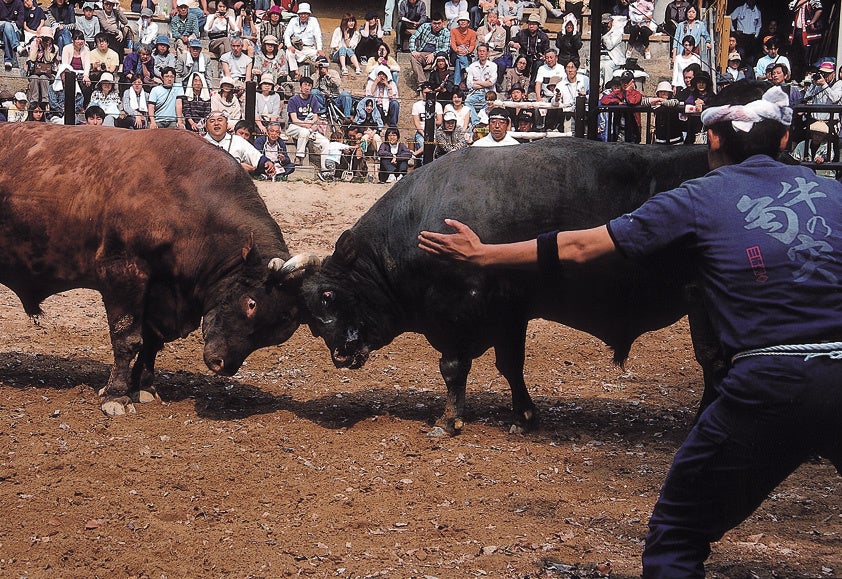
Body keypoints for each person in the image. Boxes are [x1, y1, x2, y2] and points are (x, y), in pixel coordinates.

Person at [419, 79, 842, 579]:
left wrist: (485, 254)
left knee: (678, 536)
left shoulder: (698, 198)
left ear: (712, 139)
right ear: (785, 140)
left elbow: (580, 248)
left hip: (771, 382)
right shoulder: (834, 191)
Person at [204, 110, 276, 178]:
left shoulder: (238, 140)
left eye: (220, 120)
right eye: (212, 121)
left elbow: (255, 157)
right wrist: (238, 167)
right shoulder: (200, 142)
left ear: (226, 124)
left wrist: (267, 163)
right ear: (206, 127)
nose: (216, 123)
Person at [286, 75, 331, 169]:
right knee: (304, 132)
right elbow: (294, 120)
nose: (307, 88)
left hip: (309, 128)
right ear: (301, 87)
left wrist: (311, 124)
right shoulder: (293, 100)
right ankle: (299, 157)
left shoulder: (313, 99)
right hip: (294, 127)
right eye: (305, 85)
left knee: (325, 142)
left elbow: (315, 116)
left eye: (309, 85)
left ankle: (325, 168)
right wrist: (307, 126)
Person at [408, 13, 450, 91]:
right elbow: (413, 38)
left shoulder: (446, 32)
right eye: (434, 23)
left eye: (439, 23)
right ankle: (422, 84)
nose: (437, 26)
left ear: (443, 23)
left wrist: (434, 54)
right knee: (413, 57)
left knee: (441, 56)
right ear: (431, 23)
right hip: (424, 53)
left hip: (438, 55)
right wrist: (413, 50)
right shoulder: (424, 27)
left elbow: (445, 48)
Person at [283, 3, 323, 81]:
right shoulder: (293, 20)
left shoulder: (314, 21)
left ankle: (319, 76)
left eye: (305, 14)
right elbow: (286, 34)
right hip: (297, 48)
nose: (303, 16)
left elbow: (318, 36)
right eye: (301, 14)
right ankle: (296, 73)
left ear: (308, 14)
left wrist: (319, 49)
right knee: (289, 52)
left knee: (320, 58)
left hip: (309, 48)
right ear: (298, 14)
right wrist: (289, 45)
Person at [599, 69, 642, 143]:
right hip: (619, 128)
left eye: (627, 82)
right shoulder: (617, 93)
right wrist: (617, 102)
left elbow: (631, 101)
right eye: (623, 82)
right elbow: (604, 100)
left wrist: (628, 90)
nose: (625, 84)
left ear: (632, 82)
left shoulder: (637, 94)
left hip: (633, 129)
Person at [509, 13, 549, 86]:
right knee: (521, 61)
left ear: (538, 25)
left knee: (539, 64)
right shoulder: (522, 33)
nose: (531, 26)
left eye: (533, 24)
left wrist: (544, 56)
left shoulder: (543, 36)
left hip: (537, 58)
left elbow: (546, 50)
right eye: (530, 23)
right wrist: (513, 44)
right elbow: (511, 41)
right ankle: (516, 83)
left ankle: (532, 84)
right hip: (525, 56)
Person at [789, 0, 824, 83]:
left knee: (807, 56)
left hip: (807, 32)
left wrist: (813, 21)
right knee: (796, 55)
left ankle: (807, 78)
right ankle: (797, 78)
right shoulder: (797, 1)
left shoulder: (813, 0)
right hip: (797, 31)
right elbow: (791, 7)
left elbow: (819, 9)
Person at [642, 79, 683, 144]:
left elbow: (672, 103)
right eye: (661, 91)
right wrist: (659, 99)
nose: (663, 93)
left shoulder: (674, 101)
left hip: (675, 139)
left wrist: (661, 102)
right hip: (660, 140)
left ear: (670, 93)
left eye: (665, 91)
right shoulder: (656, 103)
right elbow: (644, 102)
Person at [534, 47, 565, 131]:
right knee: (538, 107)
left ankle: (556, 127)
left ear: (556, 58)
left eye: (551, 57)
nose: (549, 60)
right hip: (546, 96)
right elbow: (538, 84)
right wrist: (538, 98)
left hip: (558, 96)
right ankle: (540, 128)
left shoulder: (561, 68)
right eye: (547, 58)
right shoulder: (541, 68)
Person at [411, 80, 444, 157]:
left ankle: (415, 153)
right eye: (425, 93)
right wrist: (424, 134)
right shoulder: (416, 105)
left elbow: (439, 121)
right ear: (422, 93)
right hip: (421, 132)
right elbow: (417, 124)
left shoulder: (438, 105)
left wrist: (430, 121)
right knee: (425, 148)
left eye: (429, 92)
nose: (427, 95)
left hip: (435, 132)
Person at [26, 27, 57, 104]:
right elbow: (32, 59)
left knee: (43, 78)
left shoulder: (54, 48)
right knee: (34, 78)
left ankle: (45, 100)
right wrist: (37, 45)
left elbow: (48, 60)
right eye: (44, 37)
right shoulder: (34, 44)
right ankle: (34, 100)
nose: (45, 40)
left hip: (48, 73)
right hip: (34, 72)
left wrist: (46, 48)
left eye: (48, 38)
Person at [464, 43, 497, 115]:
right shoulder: (472, 66)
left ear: (488, 53)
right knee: (467, 102)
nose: (481, 53)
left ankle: (483, 121)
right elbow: (469, 85)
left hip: (488, 93)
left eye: (483, 51)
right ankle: (476, 121)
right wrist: (485, 83)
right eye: (479, 51)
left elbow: (491, 83)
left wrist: (476, 82)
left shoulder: (493, 66)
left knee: (489, 104)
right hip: (475, 92)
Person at [557, 58, 587, 133]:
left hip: (584, 113)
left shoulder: (585, 80)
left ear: (577, 69)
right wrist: (557, 99)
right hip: (568, 114)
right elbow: (555, 102)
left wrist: (585, 96)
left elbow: (593, 96)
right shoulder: (560, 84)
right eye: (568, 68)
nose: (570, 70)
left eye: (572, 67)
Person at [729, 0, 761, 66]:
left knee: (751, 58)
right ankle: (741, 70)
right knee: (741, 54)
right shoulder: (740, 9)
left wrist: (756, 35)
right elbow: (729, 18)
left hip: (752, 37)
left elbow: (759, 25)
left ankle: (749, 73)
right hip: (741, 36)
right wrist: (733, 30)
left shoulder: (757, 12)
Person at [449, 11, 475, 89]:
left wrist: (466, 51)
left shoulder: (473, 33)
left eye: (465, 20)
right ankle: (467, 68)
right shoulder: (453, 31)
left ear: (468, 23)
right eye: (461, 20)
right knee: (458, 58)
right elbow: (452, 43)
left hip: (467, 54)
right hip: (455, 53)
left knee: (458, 62)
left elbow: (472, 45)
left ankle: (456, 84)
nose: (463, 22)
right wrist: (457, 50)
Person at [599, 13, 625, 90]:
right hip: (601, 57)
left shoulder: (617, 32)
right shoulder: (599, 31)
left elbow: (609, 46)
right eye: (603, 23)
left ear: (611, 22)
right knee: (594, 66)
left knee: (607, 66)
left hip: (614, 59)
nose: (606, 25)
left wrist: (604, 35)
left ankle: (607, 89)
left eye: (607, 23)